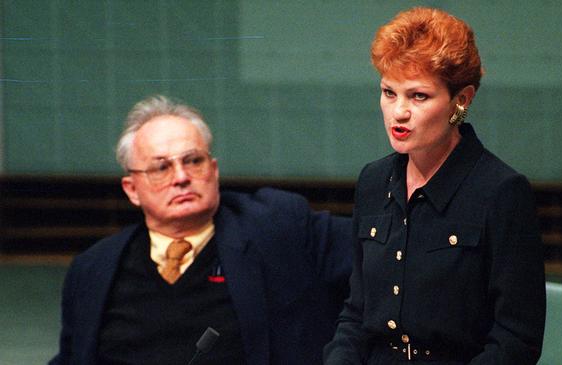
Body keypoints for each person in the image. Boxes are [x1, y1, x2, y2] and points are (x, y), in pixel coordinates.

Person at [49, 95, 352, 365]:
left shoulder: (278, 227)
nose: (181, 177)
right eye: (161, 168)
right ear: (132, 189)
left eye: (193, 161)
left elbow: (383, 251)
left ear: (214, 170)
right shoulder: (93, 269)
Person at [324, 7, 546, 364]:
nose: (398, 112)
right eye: (388, 92)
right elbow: (356, 315)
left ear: (462, 100)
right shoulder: (373, 181)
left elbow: (516, 339)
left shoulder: (502, 192)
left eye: (418, 96)